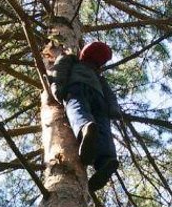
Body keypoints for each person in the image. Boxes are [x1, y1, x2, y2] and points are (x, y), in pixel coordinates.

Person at [50, 41, 122, 191]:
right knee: (104, 128)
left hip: (76, 88)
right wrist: (114, 109)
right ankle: (106, 160)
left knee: (78, 109)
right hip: (100, 98)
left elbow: (59, 70)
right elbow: (110, 95)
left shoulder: (71, 60)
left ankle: (85, 130)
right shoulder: (99, 76)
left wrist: (57, 87)